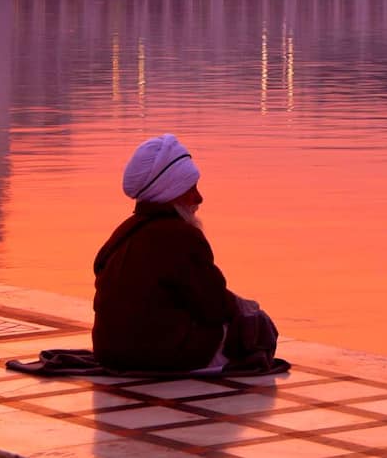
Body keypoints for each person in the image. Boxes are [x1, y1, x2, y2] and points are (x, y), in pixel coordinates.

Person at [92, 134, 278, 373]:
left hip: (109, 353)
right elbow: (214, 307)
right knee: (258, 325)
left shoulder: (123, 232)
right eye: (191, 190)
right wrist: (245, 309)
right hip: (155, 356)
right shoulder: (182, 237)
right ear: (172, 193)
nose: (199, 198)